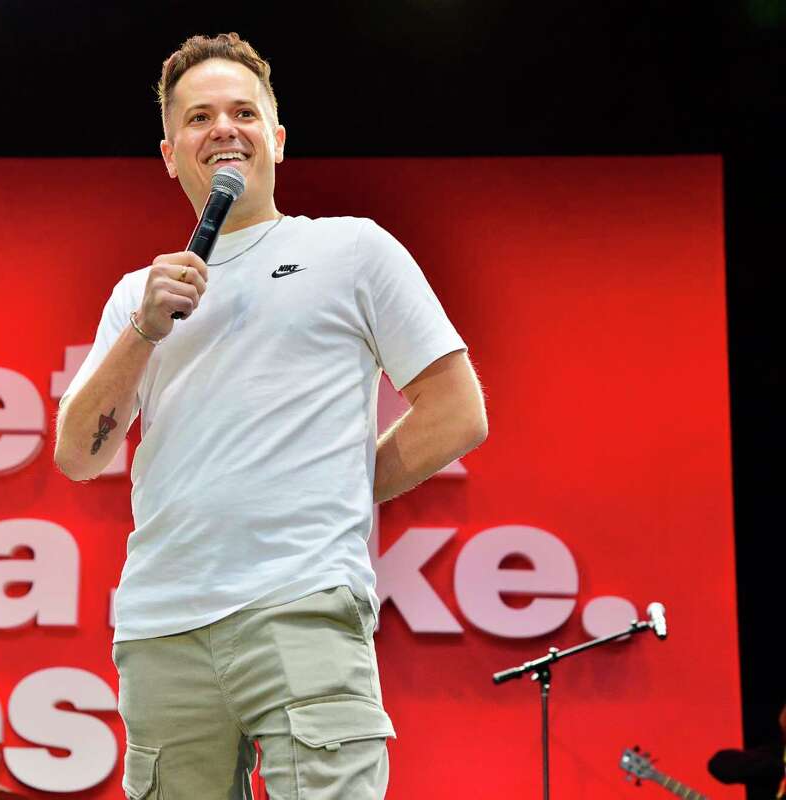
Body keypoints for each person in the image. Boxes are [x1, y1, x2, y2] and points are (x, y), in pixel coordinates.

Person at [54, 32, 487, 800]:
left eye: (243, 112)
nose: (223, 128)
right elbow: (80, 454)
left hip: (300, 599)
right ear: (169, 151)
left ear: (277, 141)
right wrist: (147, 329)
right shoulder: (137, 294)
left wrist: (334, 496)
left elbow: (455, 414)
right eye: (199, 117)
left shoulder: (353, 251)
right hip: (161, 625)